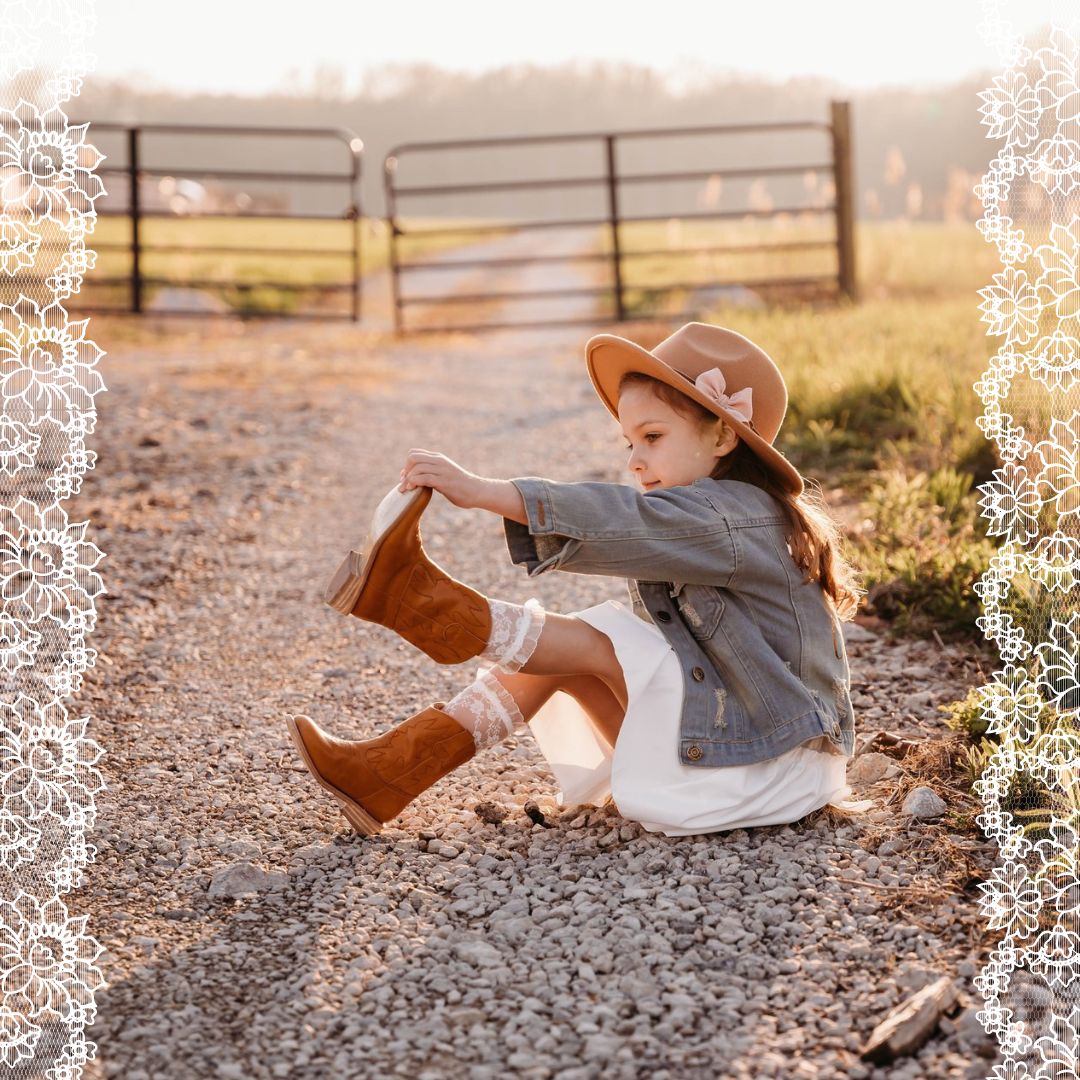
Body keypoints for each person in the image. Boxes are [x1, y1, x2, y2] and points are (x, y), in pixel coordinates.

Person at [286, 321, 871, 837]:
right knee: (578, 654)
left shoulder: (734, 516)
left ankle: (433, 608)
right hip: (732, 751)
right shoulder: (704, 515)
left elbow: (623, 520)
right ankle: (384, 775)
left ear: (722, 437)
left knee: (604, 634)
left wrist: (489, 493)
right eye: (629, 442)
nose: (634, 460)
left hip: (770, 766)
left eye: (654, 438)